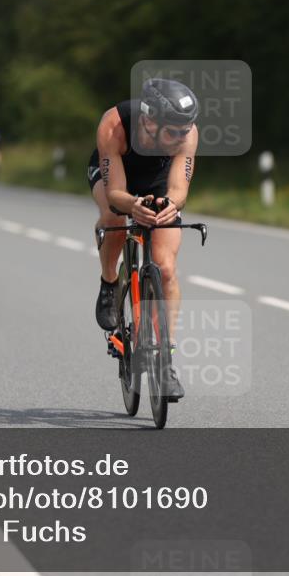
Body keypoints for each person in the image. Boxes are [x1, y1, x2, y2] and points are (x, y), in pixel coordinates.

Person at [87, 78, 200, 400]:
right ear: (150, 122)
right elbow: (116, 192)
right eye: (173, 132)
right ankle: (109, 282)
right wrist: (132, 205)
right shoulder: (115, 125)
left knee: (166, 269)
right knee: (114, 217)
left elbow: (178, 190)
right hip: (116, 175)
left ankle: (165, 361)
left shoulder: (187, 132)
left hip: (157, 179)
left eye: (185, 131)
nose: (181, 137)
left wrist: (171, 206)